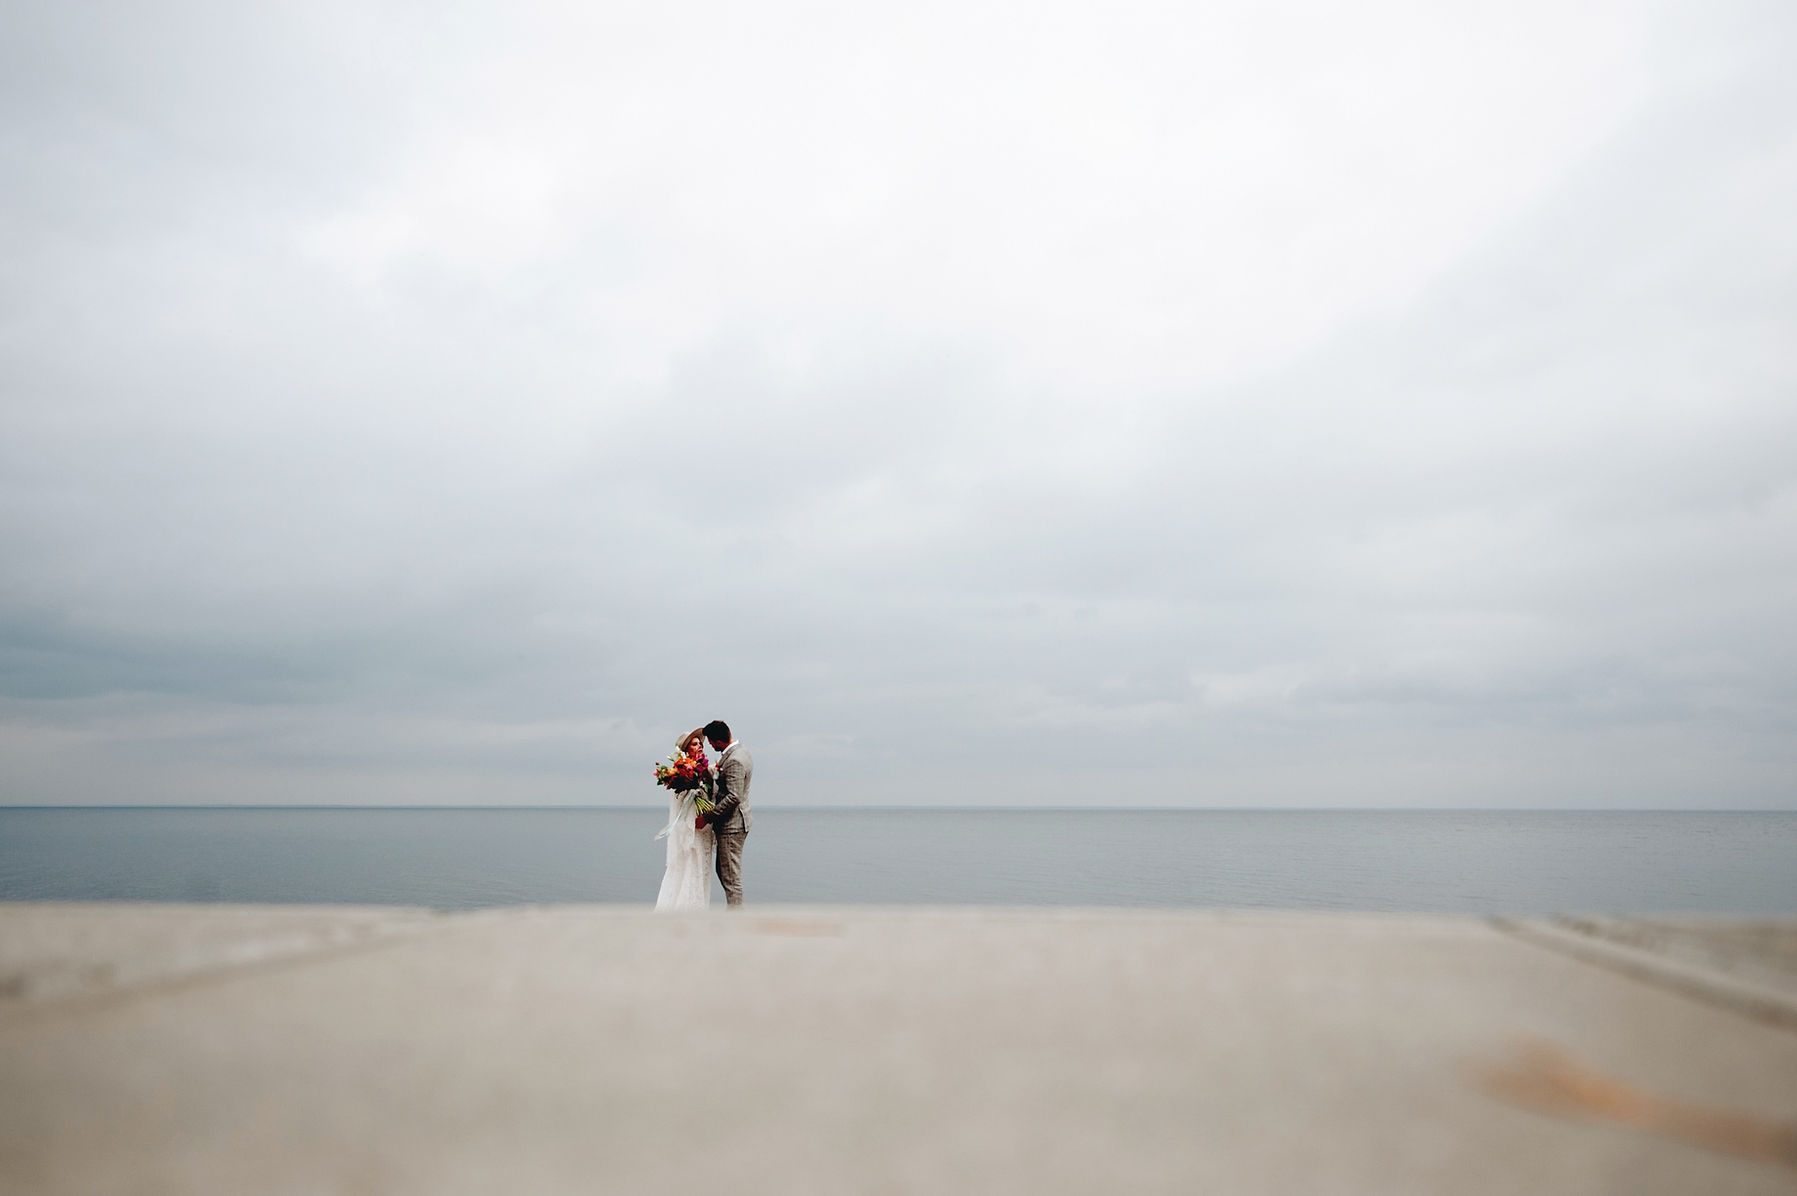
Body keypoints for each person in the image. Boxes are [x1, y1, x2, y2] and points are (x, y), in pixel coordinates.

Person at [653, 728, 715, 911]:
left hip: (704, 830)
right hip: (691, 829)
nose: (700, 746)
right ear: (686, 749)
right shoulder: (680, 773)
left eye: (700, 743)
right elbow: (680, 802)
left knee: (701, 871)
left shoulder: (705, 770)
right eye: (695, 744)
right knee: (689, 870)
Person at [696, 719, 752, 907]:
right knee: (724, 872)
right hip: (735, 823)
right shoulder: (739, 752)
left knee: (731, 879)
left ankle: (737, 920)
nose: (710, 745)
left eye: (710, 742)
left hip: (732, 825)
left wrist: (707, 817)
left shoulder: (735, 759)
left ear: (718, 740)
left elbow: (734, 796)